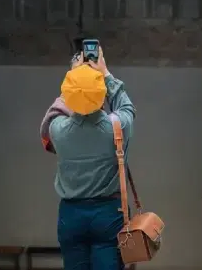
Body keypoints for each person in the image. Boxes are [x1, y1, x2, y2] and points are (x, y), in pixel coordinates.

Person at [39, 47, 135, 270]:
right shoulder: (118, 127)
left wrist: (76, 77)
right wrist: (105, 73)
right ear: (101, 92)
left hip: (71, 215)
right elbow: (126, 105)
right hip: (109, 215)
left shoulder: (58, 130)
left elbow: (56, 110)